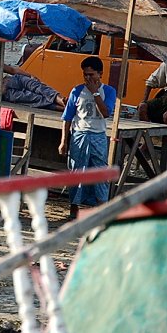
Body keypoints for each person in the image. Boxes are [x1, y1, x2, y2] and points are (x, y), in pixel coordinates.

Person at [59, 56, 117, 220]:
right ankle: (74, 207)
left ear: (100, 74)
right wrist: (64, 141)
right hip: (79, 135)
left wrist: (95, 93)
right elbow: (67, 117)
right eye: (85, 75)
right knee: (76, 170)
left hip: (98, 136)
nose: (88, 78)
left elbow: (106, 112)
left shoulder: (109, 91)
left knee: (100, 172)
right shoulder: (76, 91)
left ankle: (101, 207)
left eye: (91, 75)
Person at [0, 40, 66, 110]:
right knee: (33, 98)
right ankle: (63, 108)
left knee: (38, 87)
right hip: (2, 91)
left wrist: (30, 76)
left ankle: (62, 100)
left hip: (12, 80)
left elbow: (11, 69)